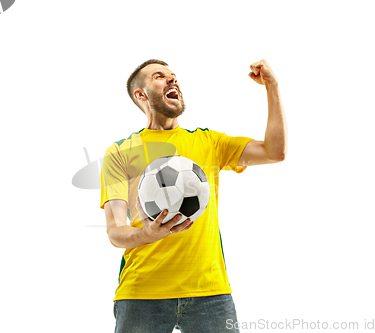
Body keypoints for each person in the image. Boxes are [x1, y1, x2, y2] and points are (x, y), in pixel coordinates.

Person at [100, 59, 287, 333]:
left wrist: (272, 86)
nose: (172, 80)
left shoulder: (208, 142)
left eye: (173, 76)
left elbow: (274, 152)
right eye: (159, 77)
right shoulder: (120, 152)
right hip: (142, 293)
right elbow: (115, 231)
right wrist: (148, 234)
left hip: (209, 292)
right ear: (141, 95)